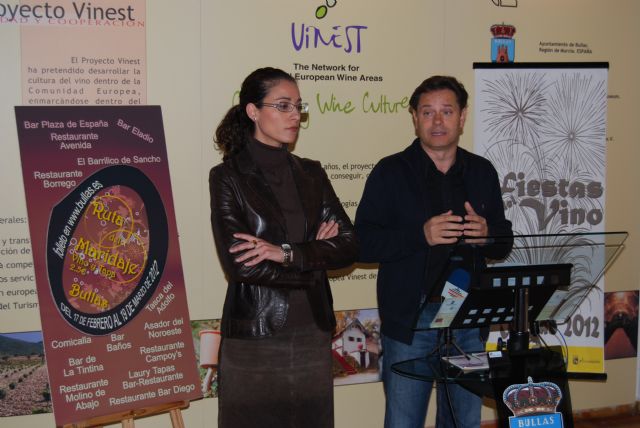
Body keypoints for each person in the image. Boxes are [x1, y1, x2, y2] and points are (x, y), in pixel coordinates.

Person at [354, 75, 513, 428]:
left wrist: (487, 235)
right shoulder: (390, 172)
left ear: (462, 116)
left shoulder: (481, 171)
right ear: (414, 117)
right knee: (403, 421)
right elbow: (361, 242)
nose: (437, 121)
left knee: (463, 421)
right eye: (427, 112)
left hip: (468, 317)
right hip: (411, 320)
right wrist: (420, 235)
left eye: (447, 111)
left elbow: (504, 241)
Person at [209, 67, 358, 428]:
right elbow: (242, 266)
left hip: (312, 334)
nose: (295, 116)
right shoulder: (228, 177)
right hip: (256, 335)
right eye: (283, 105)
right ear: (253, 111)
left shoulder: (312, 173)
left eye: (298, 107)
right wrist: (313, 259)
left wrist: (287, 252)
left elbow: (349, 245)